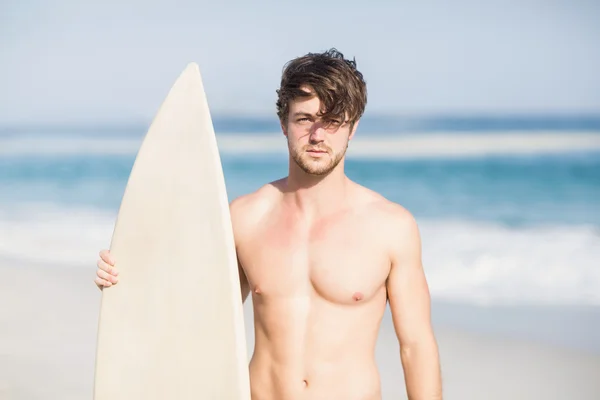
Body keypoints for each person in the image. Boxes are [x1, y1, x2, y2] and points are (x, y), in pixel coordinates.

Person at [95, 48, 442, 400]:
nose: (318, 135)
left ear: (352, 128)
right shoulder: (246, 218)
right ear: (284, 124)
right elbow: (192, 310)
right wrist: (125, 277)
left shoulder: (390, 227)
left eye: (332, 120)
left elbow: (415, 347)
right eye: (304, 119)